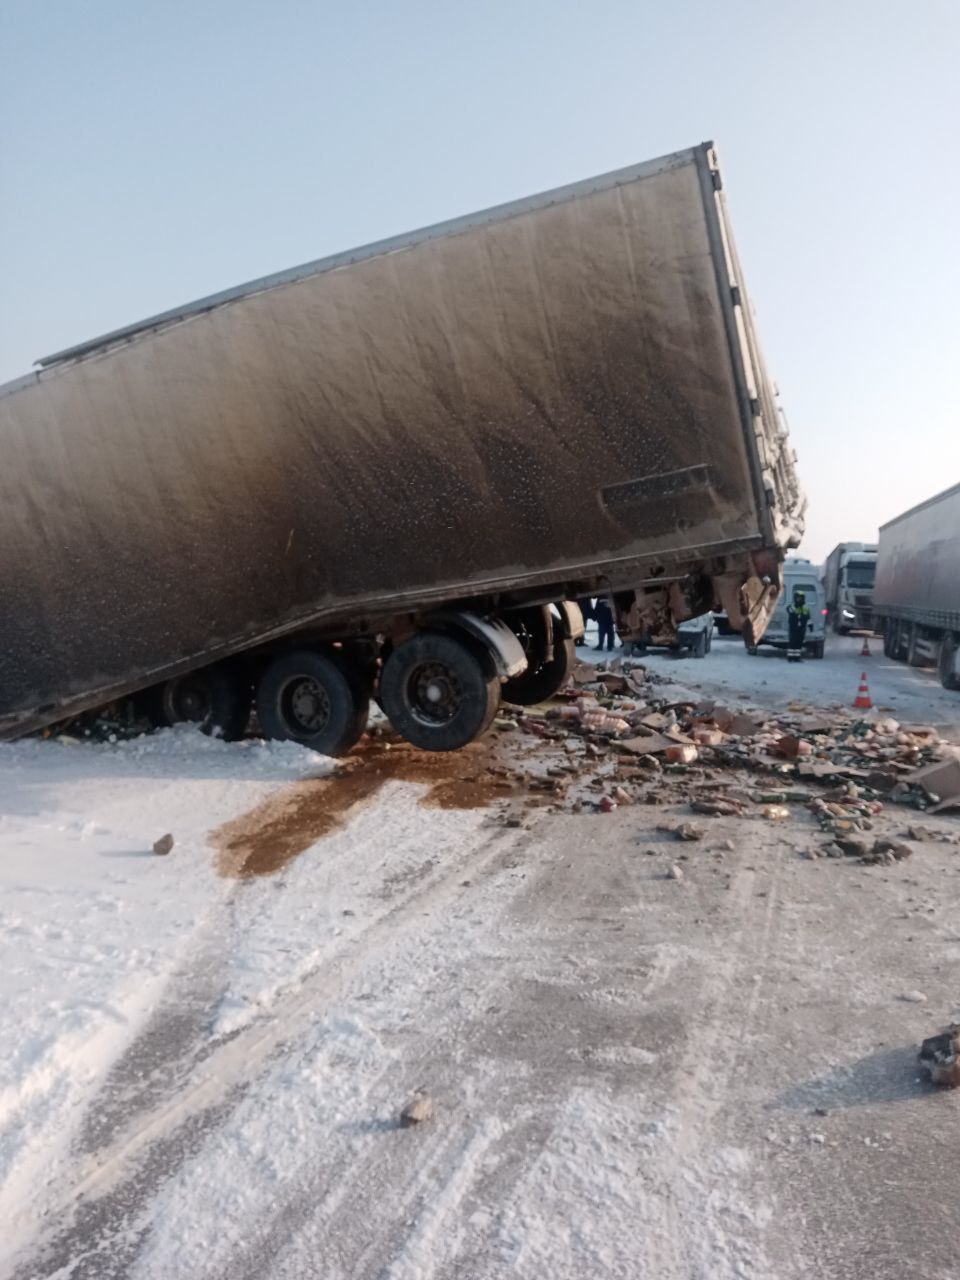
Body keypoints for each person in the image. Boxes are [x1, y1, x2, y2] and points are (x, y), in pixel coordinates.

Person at [786, 588, 810, 662]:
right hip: (793, 627)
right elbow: (789, 610)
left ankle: (797, 657)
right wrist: (795, 611)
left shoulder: (806, 607)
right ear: (795, 598)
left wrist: (810, 625)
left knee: (799, 643)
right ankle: (790, 657)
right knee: (792, 642)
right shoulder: (792, 606)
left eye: (801, 598)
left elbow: (808, 617)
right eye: (798, 597)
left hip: (801, 628)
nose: (799, 599)